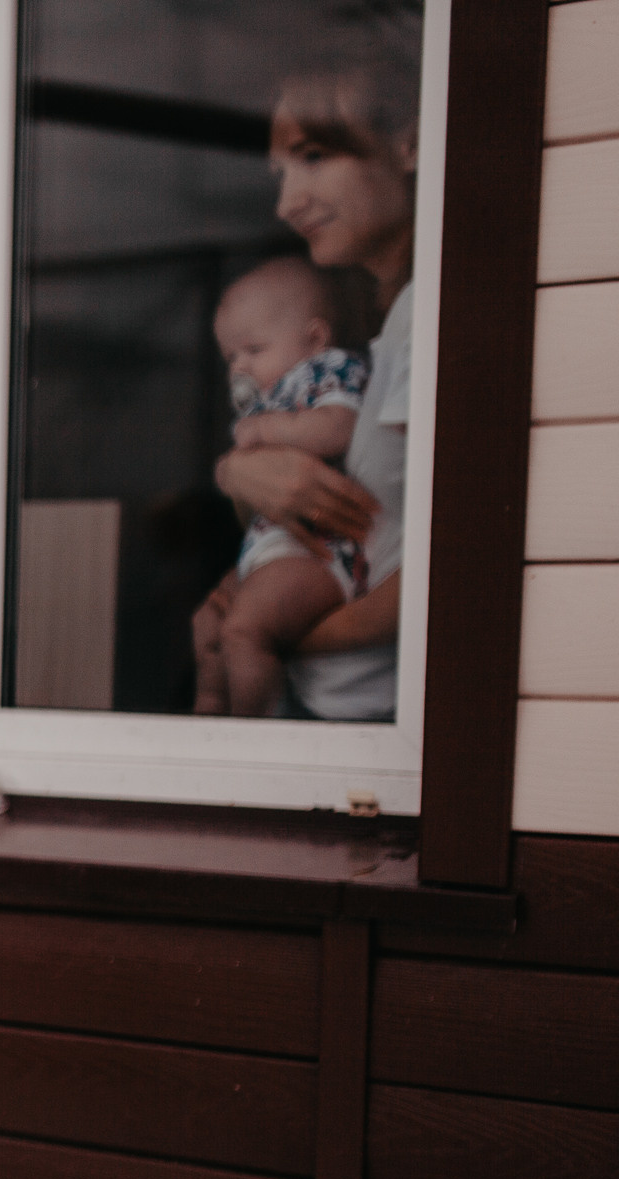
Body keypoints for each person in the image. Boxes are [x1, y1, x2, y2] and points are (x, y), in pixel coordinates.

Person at [213, 57, 421, 721]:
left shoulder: (433, 317)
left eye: (313, 156)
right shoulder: (383, 330)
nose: (286, 203)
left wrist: (262, 633)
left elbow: (458, 571)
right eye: (281, 173)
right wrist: (238, 474)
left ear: (410, 145)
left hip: (378, 728)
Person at [193, 257, 367, 716]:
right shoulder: (270, 402)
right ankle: (209, 711)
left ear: (314, 338)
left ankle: (257, 734)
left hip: (318, 554)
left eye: (253, 349)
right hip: (270, 547)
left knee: (244, 631)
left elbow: (337, 428)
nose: (240, 368)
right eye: (231, 357)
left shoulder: (326, 371)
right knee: (207, 625)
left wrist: (270, 431)